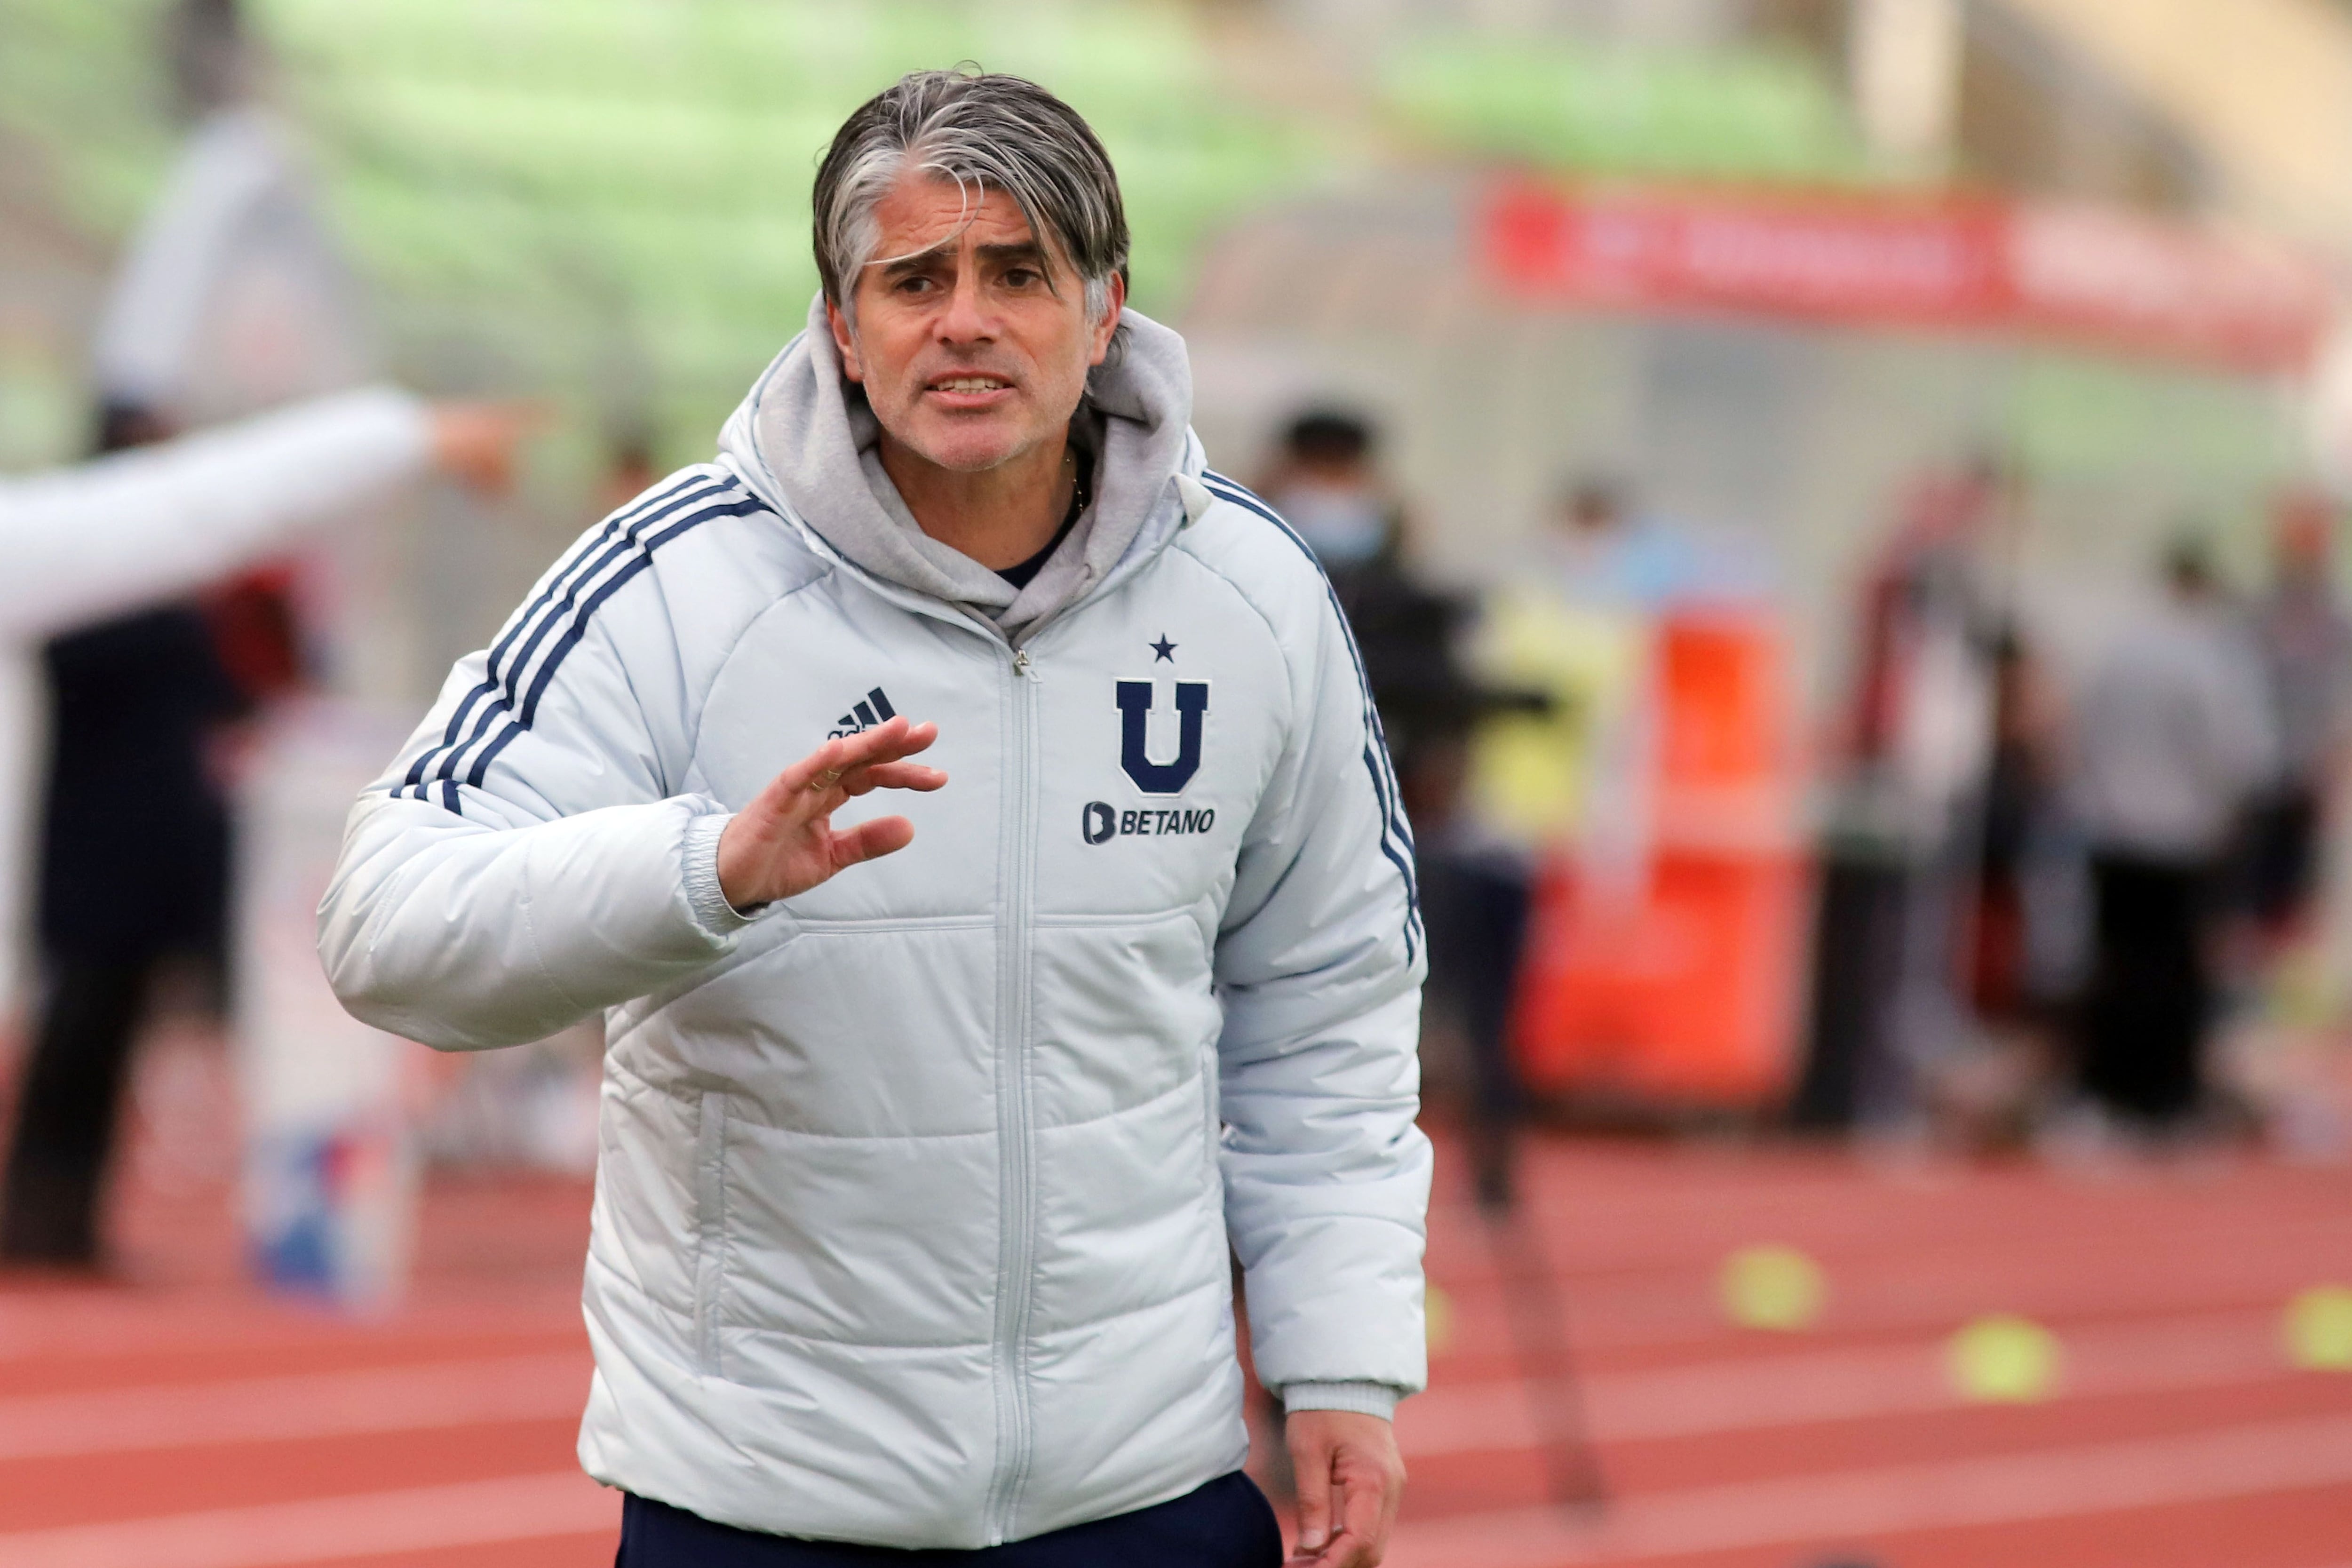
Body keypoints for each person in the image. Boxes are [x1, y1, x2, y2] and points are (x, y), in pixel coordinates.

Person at [319, 72, 1426, 1566]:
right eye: (914, 278)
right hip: (766, 1501)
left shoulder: (1255, 596)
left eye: (1017, 271)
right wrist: (701, 871)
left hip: (1144, 1488)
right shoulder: (671, 584)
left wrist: (1339, 1358)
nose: (963, 319)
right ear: (844, 326)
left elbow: (1328, 1009)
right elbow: (386, 926)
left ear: (1102, 311)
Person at [0, 389, 526, 1266]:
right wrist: (404, 436)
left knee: (99, 1036)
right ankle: (44, 1213)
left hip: (137, 852)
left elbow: (179, 516)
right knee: (78, 1039)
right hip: (91, 855)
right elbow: (181, 510)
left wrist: (401, 437)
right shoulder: (108, 589)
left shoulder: (143, 593)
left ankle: (57, 1217)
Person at [2071, 540, 2277, 1130]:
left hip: (2111, 833)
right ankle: (2166, 1100)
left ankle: (2106, 1094)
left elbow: (2079, 733)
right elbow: (2240, 755)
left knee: (2114, 968)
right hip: (2181, 838)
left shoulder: (2118, 648)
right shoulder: (2209, 655)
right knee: (2174, 977)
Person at [2246, 489, 2351, 938]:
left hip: (2305, 785)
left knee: (2292, 902)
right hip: (2253, 780)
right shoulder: (2257, 611)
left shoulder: (2335, 617)